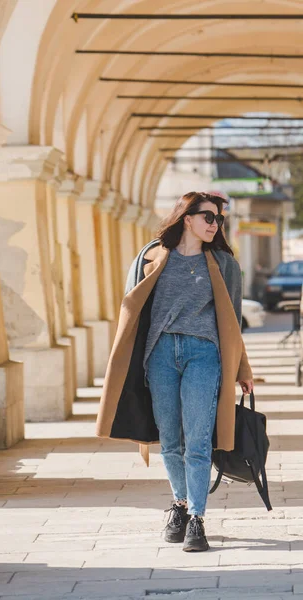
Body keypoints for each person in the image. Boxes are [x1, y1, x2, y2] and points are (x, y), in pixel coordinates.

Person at [96, 191, 254, 553]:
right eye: (209, 217)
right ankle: (179, 506)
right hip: (160, 354)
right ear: (187, 218)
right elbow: (131, 311)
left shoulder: (224, 264)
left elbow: (233, 320)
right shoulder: (150, 257)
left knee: (197, 440)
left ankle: (197, 519)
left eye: (219, 220)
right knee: (171, 440)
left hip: (204, 354)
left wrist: (242, 367)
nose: (215, 225)